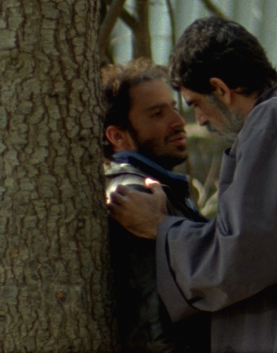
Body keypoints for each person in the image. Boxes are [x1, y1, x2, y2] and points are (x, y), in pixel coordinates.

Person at [108, 18, 277, 352]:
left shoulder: (273, 123)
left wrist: (160, 227)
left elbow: (241, 256)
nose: (198, 120)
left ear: (221, 89)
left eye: (195, 104)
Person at [102, 59, 210, 352]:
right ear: (118, 136)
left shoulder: (161, 188)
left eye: (174, 107)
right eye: (157, 114)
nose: (178, 121)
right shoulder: (132, 195)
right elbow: (152, 315)